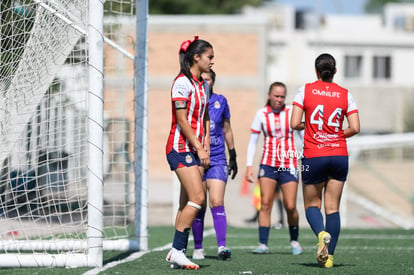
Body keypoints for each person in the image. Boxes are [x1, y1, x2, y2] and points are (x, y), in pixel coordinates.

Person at [291, 53, 360, 268]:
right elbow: (355, 127)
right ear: (335, 71)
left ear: (316, 71)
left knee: (312, 204)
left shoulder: (305, 90)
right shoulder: (345, 94)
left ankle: (321, 234)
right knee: (333, 208)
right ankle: (329, 258)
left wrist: (311, 128)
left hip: (314, 154)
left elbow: (294, 123)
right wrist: (336, 135)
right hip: (339, 155)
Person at [165, 36, 214, 270]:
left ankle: (179, 253)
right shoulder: (181, 83)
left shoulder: (202, 84)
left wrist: (205, 140)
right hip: (179, 148)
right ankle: (176, 250)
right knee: (199, 198)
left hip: (193, 149)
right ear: (196, 57)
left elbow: (203, 116)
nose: (212, 62)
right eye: (209, 57)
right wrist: (200, 147)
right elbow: (182, 121)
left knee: (186, 202)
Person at [245, 81, 303, 256]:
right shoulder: (261, 114)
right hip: (268, 164)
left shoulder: (292, 112)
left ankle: (294, 241)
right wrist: (249, 165)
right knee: (265, 204)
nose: (279, 99)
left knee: (290, 205)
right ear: (269, 95)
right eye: (276, 96)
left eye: (282, 96)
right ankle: (263, 244)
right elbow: (253, 141)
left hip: (289, 164)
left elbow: (303, 134)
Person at [191, 69, 238, 261]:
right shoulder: (192, 101)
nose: (205, 83)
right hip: (196, 158)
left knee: (217, 201)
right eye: (202, 80)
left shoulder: (221, 101)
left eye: (208, 80)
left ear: (213, 82)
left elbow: (226, 129)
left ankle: (221, 247)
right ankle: (198, 248)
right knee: (198, 203)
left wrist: (233, 154)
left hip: (218, 158)